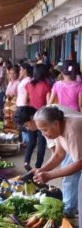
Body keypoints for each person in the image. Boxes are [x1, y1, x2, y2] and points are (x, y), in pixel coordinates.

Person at [32, 106, 82, 228]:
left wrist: (50, 175)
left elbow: (79, 164)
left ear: (55, 123)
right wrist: (42, 170)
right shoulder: (60, 128)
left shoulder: (72, 129)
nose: (43, 134)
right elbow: (59, 154)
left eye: (44, 129)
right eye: (40, 130)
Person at [47, 62, 82, 217]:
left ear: (61, 72)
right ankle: (70, 207)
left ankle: (69, 209)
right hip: (67, 120)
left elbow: (50, 104)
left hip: (68, 124)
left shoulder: (58, 85)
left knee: (72, 170)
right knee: (70, 170)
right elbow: (81, 107)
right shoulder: (79, 85)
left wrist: (49, 175)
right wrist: (44, 170)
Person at [22, 64, 52, 169]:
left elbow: (25, 101)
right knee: (42, 143)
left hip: (31, 116)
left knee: (31, 141)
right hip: (42, 117)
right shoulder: (47, 85)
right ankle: (38, 166)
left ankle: (26, 162)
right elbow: (49, 104)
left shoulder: (29, 84)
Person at [13, 106, 47, 170]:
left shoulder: (45, 123)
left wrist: (40, 169)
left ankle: (38, 166)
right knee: (31, 142)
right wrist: (26, 162)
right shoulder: (30, 121)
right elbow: (31, 143)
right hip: (34, 116)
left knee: (41, 144)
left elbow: (58, 154)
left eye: (26, 125)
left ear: (32, 118)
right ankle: (27, 163)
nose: (27, 129)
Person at [16, 63, 33, 144]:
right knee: (21, 122)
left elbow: (29, 93)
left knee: (22, 123)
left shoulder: (28, 80)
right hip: (20, 103)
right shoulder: (24, 79)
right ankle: (25, 140)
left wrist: (26, 102)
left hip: (24, 104)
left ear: (25, 70)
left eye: (21, 70)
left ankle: (31, 137)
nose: (19, 71)